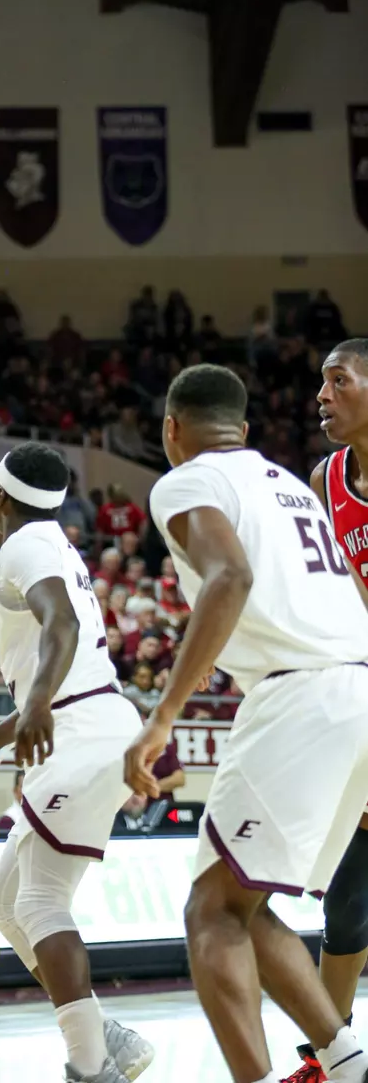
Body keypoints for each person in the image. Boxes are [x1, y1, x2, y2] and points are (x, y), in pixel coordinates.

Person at [124, 363, 368, 1083]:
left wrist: (161, 717)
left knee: (210, 914)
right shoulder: (287, 482)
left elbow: (229, 577)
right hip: (355, 688)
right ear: (245, 430)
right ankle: (345, 1061)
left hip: (301, 696)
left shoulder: (185, 478)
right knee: (243, 902)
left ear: (172, 429)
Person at [0, 443, 153, 1083]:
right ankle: (105, 1035)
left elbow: (62, 629)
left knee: (40, 903)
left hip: (83, 732)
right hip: (89, 721)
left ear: (1, 498)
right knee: (1, 902)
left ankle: (90, 1067)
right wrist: (1, 736)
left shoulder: (22, 546)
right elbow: (60, 665)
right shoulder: (55, 542)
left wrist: (34, 709)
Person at [277, 337, 368, 1083]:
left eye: (336, 381)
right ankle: (328, 1058)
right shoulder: (323, 478)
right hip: (352, 699)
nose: (321, 396)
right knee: (345, 899)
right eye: (319, 383)